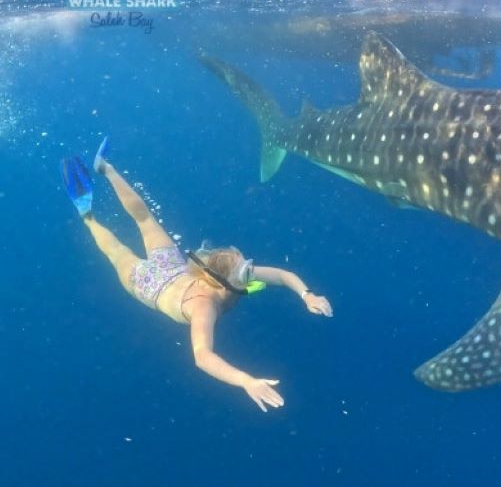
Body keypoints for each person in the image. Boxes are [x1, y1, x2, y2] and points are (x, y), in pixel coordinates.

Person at [60, 137, 333, 412]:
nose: (251, 272)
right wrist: (246, 381)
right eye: (244, 271)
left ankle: (105, 168)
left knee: (145, 220)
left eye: (247, 266)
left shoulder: (236, 277)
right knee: (117, 251)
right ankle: (87, 215)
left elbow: (284, 276)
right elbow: (202, 356)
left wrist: (307, 295)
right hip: (150, 285)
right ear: (223, 281)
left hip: (172, 266)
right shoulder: (205, 306)